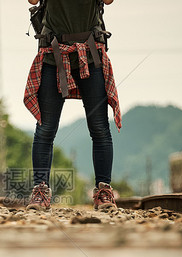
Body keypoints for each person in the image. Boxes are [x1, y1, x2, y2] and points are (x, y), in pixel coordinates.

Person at [24, 0, 121, 210]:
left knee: (99, 128)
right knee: (45, 128)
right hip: (53, 53)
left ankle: (104, 191)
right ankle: (40, 191)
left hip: (90, 52)